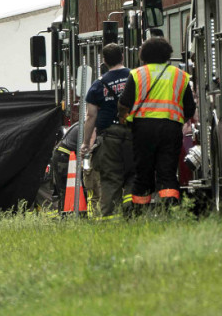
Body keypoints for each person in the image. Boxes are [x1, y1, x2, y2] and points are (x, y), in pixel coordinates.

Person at [117, 37, 195, 209]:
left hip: (143, 129)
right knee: (167, 171)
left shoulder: (137, 74)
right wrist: (178, 120)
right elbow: (190, 108)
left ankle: (139, 211)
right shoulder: (180, 76)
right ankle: (170, 208)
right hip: (171, 128)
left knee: (143, 172)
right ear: (167, 54)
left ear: (144, 55)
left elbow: (124, 103)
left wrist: (123, 118)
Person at [81, 43, 134, 218]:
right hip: (133, 134)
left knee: (111, 179)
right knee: (134, 174)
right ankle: (132, 212)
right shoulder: (135, 77)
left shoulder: (98, 85)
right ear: (122, 57)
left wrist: (85, 143)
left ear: (104, 61)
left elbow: (91, 116)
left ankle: (110, 219)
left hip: (108, 138)